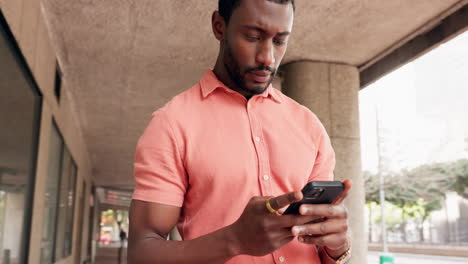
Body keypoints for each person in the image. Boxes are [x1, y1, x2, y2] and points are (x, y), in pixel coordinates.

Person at [128, 0, 352, 263]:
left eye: (280, 41)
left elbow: (323, 250)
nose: (267, 57)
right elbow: (141, 252)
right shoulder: (172, 124)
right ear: (219, 26)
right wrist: (234, 240)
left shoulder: (308, 125)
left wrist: (338, 246)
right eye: (253, 36)